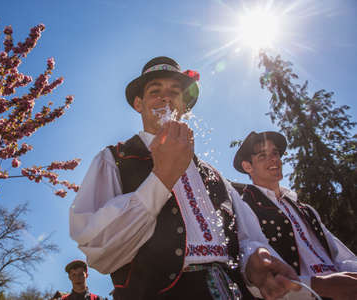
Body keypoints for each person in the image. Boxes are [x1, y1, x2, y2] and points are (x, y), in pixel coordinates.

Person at [70, 56, 299, 300]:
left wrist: (256, 259)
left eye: (174, 91)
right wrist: (161, 179)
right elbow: (96, 247)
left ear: (185, 106)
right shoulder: (114, 159)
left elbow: (248, 237)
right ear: (139, 104)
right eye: (155, 91)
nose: (165, 97)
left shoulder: (214, 175)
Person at [233, 130, 357, 299]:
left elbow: (339, 256)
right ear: (247, 166)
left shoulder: (305, 209)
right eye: (263, 156)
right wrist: (319, 286)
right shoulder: (245, 205)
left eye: (275, 153)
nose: (274, 159)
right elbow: (258, 275)